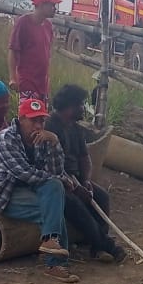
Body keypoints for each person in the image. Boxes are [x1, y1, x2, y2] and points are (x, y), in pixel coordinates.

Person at [0, 97, 78, 283]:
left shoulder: (43, 138)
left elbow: (55, 171)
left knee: (54, 190)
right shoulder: (6, 140)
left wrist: (54, 142)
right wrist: (59, 178)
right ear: (21, 119)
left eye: (41, 120)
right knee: (54, 204)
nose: (38, 125)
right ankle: (55, 263)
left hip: (32, 191)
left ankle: (50, 245)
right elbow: (26, 174)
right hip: (7, 195)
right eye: (33, 120)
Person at [46, 84, 126, 263]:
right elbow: (51, 167)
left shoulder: (74, 127)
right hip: (57, 181)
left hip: (76, 179)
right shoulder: (50, 127)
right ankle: (107, 246)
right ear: (69, 106)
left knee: (102, 197)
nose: (83, 108)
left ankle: (97, 246)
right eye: (81, 104)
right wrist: (74, 186)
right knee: (76, 204)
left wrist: (86, 180)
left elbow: (84, 157)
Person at [8, 0, 60, 101]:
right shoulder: (23, 22)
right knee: (28, 116)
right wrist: (13, 78)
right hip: (28, 82)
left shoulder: (48, 26)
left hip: (43, 85)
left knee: (41, 117)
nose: (54, 9)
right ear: (41, 5)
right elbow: (13, 50)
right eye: (51, 5)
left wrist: (47, 80)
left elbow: (46, 54)